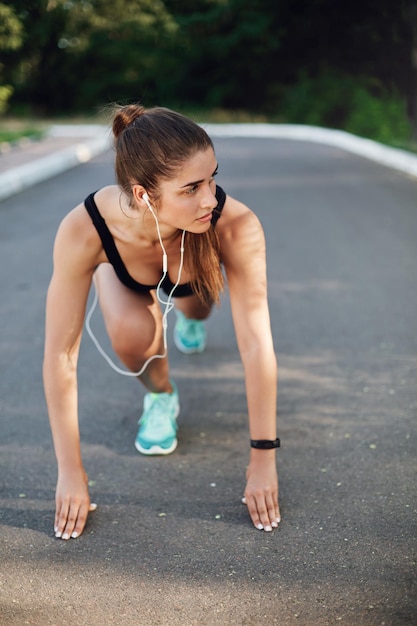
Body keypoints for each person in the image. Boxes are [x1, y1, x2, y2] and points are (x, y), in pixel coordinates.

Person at [43, 104, 281, 541]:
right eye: (191, 188)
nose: (209, 198)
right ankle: (161, 396)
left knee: (197, 306)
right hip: (126, 274)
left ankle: (191, 317)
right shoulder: (85, 229)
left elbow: (256, 343)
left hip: (192, 268)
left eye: (212, 178)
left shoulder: (234, 223)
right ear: (142, 195)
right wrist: (70, 472)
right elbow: (60, 354)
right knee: (136, 337)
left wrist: (263, 458)